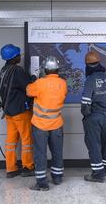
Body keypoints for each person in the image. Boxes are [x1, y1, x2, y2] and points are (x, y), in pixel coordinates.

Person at [27, 56, 68, 191]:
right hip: (56, 124)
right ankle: (57, 177)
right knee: (57, 152)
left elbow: (28, 91)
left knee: (40, 154)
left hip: (40, 125)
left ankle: (42, 183)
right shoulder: (63, 83)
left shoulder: (39, 83)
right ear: (57, 69)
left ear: (45, 69)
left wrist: (34, 78)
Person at [0, 44, 35, 178]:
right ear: (14, 57)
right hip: (20, 111)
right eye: (18, 55)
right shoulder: (17, 70)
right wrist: (34, 78)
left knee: (11, 140)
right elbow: (29, 86)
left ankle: (11, 168)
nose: (20, 56)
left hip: (8, 112)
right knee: (26, 139)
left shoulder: (4, 70)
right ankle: (28, 166)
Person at [81, 51, 106, 183]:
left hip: (94, 118)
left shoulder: (90, 80)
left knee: (94, 145)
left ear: (87, 66)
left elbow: (85, 104)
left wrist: (87, 118)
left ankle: (98, 174)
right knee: (105, 142)